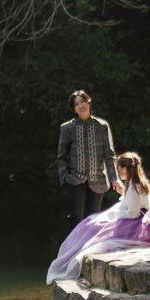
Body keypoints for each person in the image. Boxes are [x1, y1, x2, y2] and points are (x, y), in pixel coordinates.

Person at [46, 151, 150, 284]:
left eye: (119, 169)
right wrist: (123, 193)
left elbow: (133, 213)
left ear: (125, 168)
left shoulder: (134, 186)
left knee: (96, 228)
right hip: (138, 217)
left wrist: (116, 215)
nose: (118, 172)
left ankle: (68, 257)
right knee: (90, 223)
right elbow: (135, 202)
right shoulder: (137, 182)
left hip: (135, 222)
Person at [57, 90, 123, 228]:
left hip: (98, 179)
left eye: (83, 101)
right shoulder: (67, 128)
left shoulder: (102, 126)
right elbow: (61, 156)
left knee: (93, 220)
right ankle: (74, 248)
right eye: (77, 104)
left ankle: (90, 248)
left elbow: (109, 155)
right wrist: (65, 178)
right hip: (75, 180)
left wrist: (114, 178)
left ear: (89, 102)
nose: (81, 106)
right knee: (75, 218)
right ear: (74, 109)